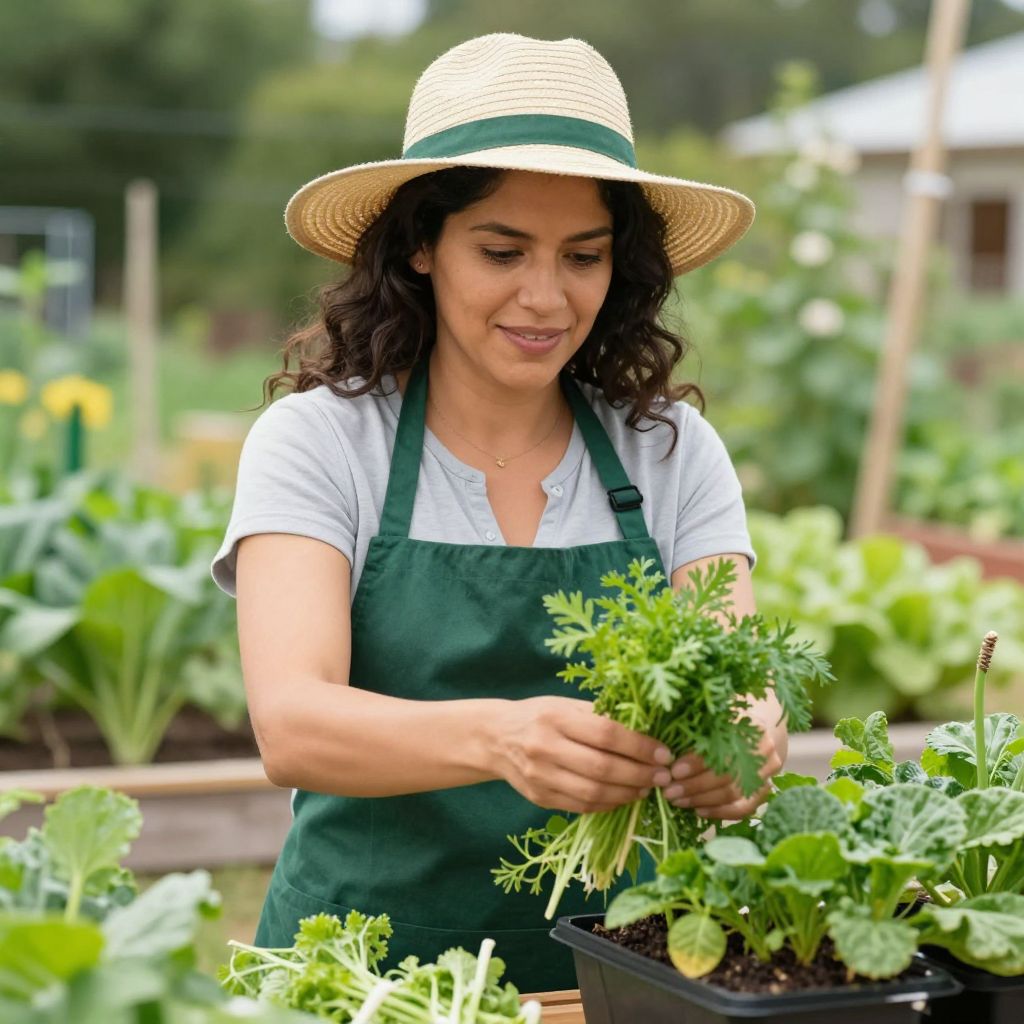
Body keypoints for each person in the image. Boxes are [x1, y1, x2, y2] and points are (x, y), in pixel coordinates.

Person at [211, 32, 786, 992]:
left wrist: (745, 743)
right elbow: (294, 724)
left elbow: (738, 676)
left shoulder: (672, 454)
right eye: (502, 250)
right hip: (358, 977)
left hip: (624, 977)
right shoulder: (320, 443)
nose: (546, 296)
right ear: (423, 246)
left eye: (583, 256)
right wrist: (501, 737)